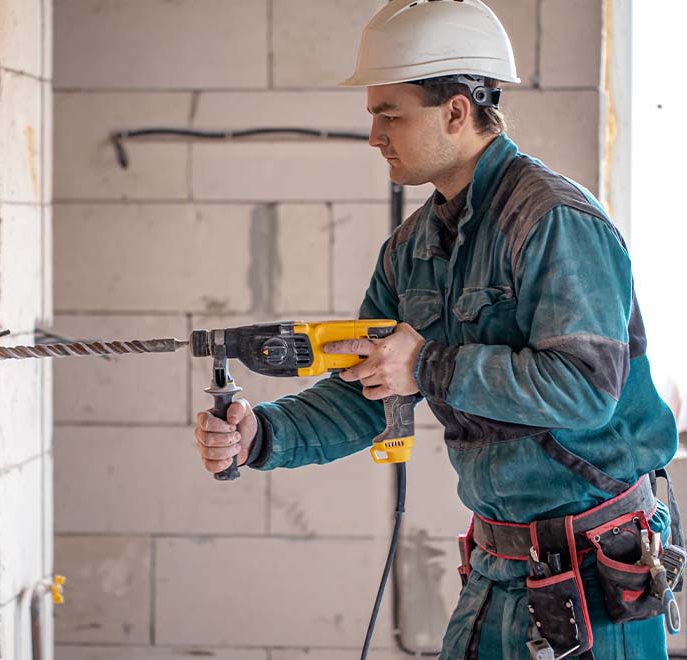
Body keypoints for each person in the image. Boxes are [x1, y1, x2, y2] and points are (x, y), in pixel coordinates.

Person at [193, 1, 681, 658]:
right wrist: (263, 435)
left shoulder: (554, 223)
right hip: (498, 564)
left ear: (456, 111)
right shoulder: (411, 249)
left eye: (388, 113)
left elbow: (583, 389)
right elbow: (366, 390)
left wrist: (428, 365)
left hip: (595, 573)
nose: (373, 134)